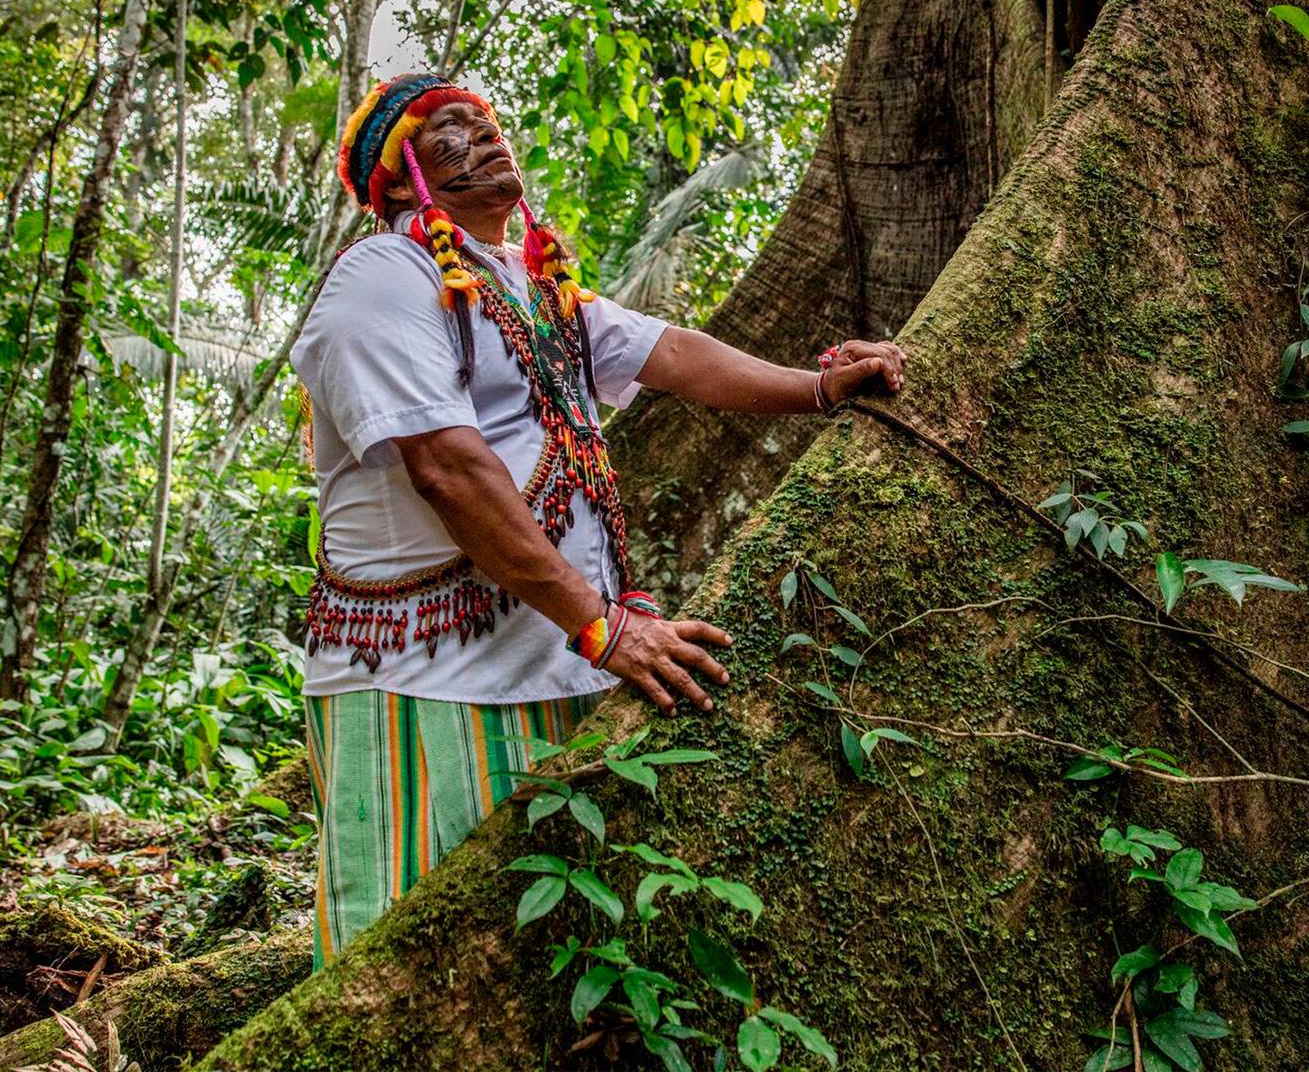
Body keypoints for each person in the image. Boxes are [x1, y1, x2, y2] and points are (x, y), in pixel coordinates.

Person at [293, 73, 906, 970]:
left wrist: (817, 388)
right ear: (398, 185)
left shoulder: (538, 290)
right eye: (451, 133)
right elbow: (447, 468)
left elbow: (674, 354)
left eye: (489, 124)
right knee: (410, 959)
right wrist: (600, 623)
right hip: (423, 684)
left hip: (554, 667)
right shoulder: (384, 275)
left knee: (541, 963)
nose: (488, 138)